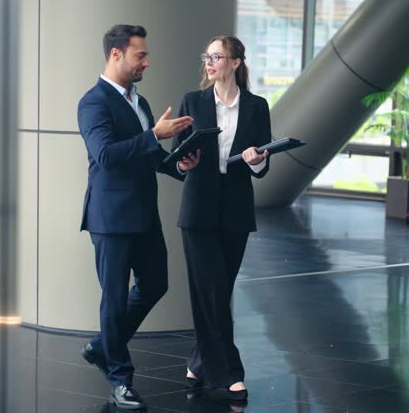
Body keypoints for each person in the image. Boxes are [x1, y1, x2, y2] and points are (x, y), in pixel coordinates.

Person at [77, 24, 193, 410]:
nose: (147, 61)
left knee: (156, 283)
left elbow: (149, 155)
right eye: (139, 54)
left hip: (144, 215)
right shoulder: (93, 102)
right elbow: (106, 155)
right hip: (110, 219)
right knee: (112, 300)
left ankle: (101, 346)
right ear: (116, 55)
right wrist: (154, 136)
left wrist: (179, 164)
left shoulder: (138, 102)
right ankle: (120, 379)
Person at [170, 35, 271, 402]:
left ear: (236, 63)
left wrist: (258, 161)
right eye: (207, 56)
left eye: (217, 56)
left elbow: (263, 160)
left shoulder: (257, 107)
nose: (209, 62)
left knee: (218, 290)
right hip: (197, 208)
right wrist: (183, 162)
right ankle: (231, 372)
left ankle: (197, 361)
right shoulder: (192, 102)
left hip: (236, 209)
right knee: (210, 290)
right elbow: (176, 157)